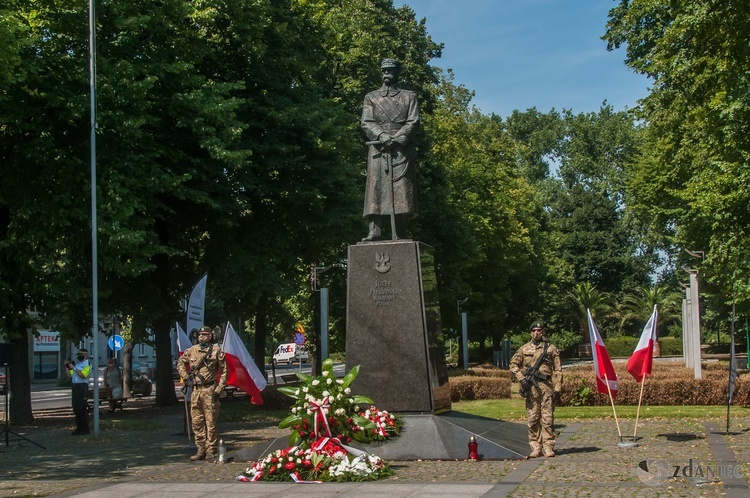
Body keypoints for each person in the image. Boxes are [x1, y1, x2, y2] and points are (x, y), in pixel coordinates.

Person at [360, 58, 420, 241]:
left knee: (401, 190)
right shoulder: (371, 97)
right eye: (384, 70)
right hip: (378, 148)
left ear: (397, 72)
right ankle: (374, 230)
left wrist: (399, 138)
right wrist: (381, 136)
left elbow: (413, 121)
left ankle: (401, 232)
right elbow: (366, 122)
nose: (386, 73)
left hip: (401, 148)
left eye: (390, 70)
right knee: (375, 188)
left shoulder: (410, 96)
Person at [509, 321, 563, 458]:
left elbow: (558, 369)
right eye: (534, 330)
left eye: (539, 330)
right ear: (530, 332)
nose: (536, 333)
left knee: (547, 418)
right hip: (531, 388)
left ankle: (549, 446)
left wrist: (558, 387)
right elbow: (513, 364)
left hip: (546, 387)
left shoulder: (551, 349)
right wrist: (521, 378)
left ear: (543, 331)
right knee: (533, 418)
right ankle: (535, 446)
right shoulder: (524, 348)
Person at [177, 325, 227, 461]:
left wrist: (219, 388)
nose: (200, 337)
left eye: (203, 334)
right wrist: (185, 375)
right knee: (197, 421)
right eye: (199, 335)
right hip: (196, 390)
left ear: (209, 336)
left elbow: (224, 371)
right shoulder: (192, 350)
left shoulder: (216, 351)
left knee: (210, 421)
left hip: (210, 390)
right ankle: (200, 449)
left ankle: (211, 450)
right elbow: (181, 362)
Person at [66, 348, 91, 435]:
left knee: (81, 408)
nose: (78, 357)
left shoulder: (87, 364)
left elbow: (83, 375)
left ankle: (85, 429)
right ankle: (79, 428)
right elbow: (70, 375)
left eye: (80, 355)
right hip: (75, 387)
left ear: (85, 356)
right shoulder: (78, 364)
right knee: (76, 408)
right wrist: (67, 366)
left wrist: (74, 368)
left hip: (82, 387)